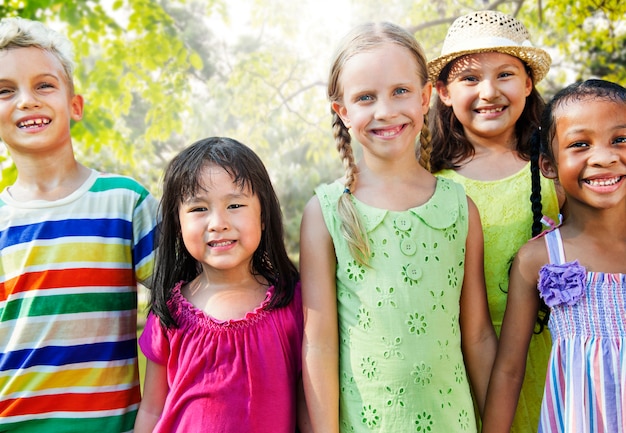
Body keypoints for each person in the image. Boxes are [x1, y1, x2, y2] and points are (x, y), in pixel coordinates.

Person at [300, 21, 497, 432]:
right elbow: (318, 344)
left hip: (453, 421)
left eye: (400, 91)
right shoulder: (327, 213)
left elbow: (476, 334)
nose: (385, 111)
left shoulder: (461, 208)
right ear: (343, 111)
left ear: (425, 97)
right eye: (365, 97)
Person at [0, 17, 158, 431]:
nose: (26, 101)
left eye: (44, 85)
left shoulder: (125, 202)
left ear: (75, 105)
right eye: (5, 91)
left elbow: (183, 305)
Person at [428, 10, 562, 431]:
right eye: (469, 78)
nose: (489, 91)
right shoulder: (431, 185)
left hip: (552, 348)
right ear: (444, 92)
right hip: (465, 358)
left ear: (527, 83)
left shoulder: (554, 170)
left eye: (505, 74)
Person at [134, 137, 307, 433]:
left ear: (263, 216)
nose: (218, 222)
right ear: (177, 225)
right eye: (199, 209)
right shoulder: (170, 311)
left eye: (235, 204)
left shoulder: (293, 302)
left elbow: (309, 400)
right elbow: (152, 409)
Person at [483, 78, 626, 432]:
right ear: (548, 165)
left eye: (620, 140)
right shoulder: (539, 259)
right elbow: (509, 371)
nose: (605, 157)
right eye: (580, 144)